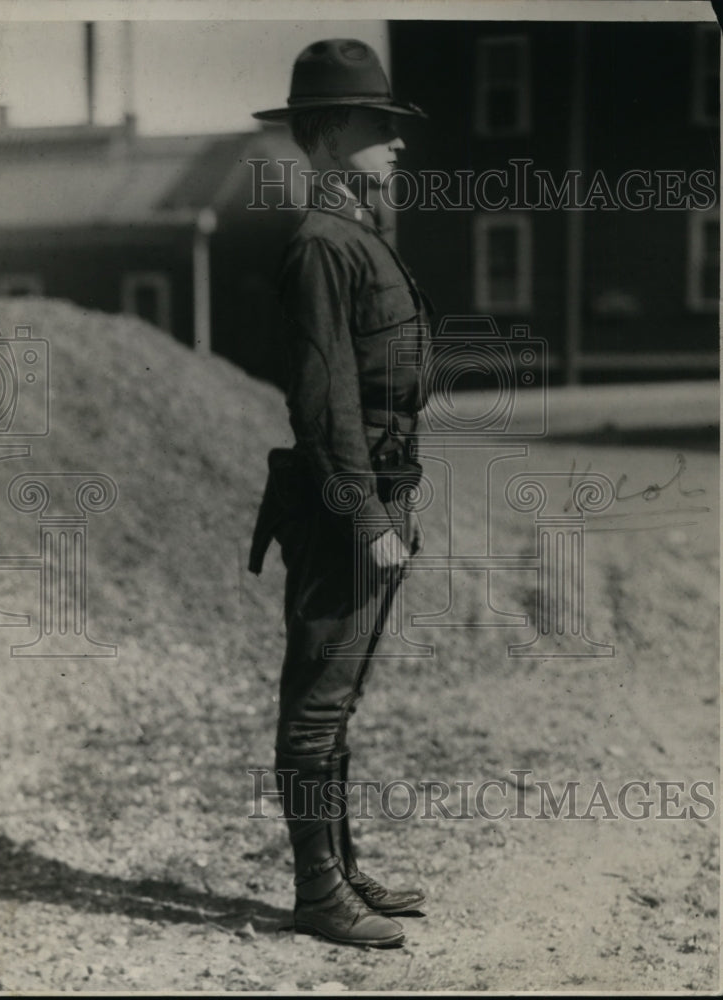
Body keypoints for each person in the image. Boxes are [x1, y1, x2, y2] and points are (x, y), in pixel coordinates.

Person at [249, 38, 433, 948]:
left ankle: (344, 873)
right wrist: (367, 519)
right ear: (325, 136)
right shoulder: (322, 243)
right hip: (341, 511)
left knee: (341, 694)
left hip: (380, 496)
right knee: (317, 701)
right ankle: (318, 894)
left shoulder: (356, 233)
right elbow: (327, 405)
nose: (396, 144)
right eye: (376, 126)